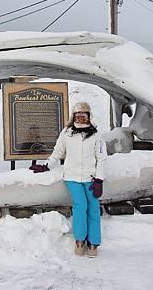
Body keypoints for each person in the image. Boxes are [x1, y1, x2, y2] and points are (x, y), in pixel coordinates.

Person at [29, 101, 107, 257]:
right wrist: (46, 165)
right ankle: (79, 241)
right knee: (80, 206)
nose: (80, 119)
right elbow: (58, 151)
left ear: (89, 117)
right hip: (72, 177)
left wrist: (99, 180)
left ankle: (93, 243)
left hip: (90, 179)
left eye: (83, 116)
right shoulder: (67, 133)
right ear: (73, 117)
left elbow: (102, 158)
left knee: (93, 208)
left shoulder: (97, 136)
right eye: (77, 116)